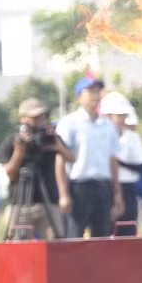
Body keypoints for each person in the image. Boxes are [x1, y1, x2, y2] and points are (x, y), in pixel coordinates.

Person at [56, 75, 121, 238]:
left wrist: (117, 193)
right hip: (80, 187)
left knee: (102, 236)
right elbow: (60, 161)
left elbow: (113, 161)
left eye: (98, 91)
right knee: (75, 236)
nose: (95, 95)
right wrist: (64, 194)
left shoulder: (107, 125)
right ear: (79, 96)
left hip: (103, 187)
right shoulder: (69, 122)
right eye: (90, 91)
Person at [0, 97, 67, 240]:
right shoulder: (11, 142)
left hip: (47, 200)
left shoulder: (49, 138)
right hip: (21, 202)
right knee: (19, 245)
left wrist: (57, 145)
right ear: (22, 119)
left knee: (56, 243)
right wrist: (19, 151)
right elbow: (11, 174)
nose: (40, 120)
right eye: (35, 117)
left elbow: (72, 157)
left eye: (42, 116)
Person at [104, 92, 142, 236]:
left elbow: (141, 166)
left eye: (123, 115)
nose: (121, 119)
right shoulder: (100, 135)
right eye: (118, 115)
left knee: (127, 228)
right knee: (106, 228)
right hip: (105, 187)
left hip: (127, 187)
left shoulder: (131, 137)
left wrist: (118, 163)